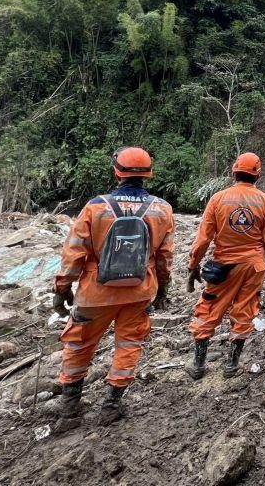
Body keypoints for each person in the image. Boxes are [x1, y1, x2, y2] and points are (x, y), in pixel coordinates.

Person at [52, 147, 175, 429]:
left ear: (116, 171)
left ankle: (70, 412)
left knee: (79, 346)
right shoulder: (162, 209)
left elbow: (74, 252)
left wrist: (62, 289)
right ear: (149, 174)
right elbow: (164, 257)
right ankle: (111, 405)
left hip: (96, 292)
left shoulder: (96, 207)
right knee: (129, 345)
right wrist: (163, 289)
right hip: (139, 290)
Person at [186, 152, 265, 380]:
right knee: (245, 310)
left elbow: (203, 238)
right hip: (254, 266)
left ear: (234, 171)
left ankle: (198, 365)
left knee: (208, 309)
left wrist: (193, 266)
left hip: (224, 265)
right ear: (257, 175)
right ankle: (231, 364)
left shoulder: (218, 199)